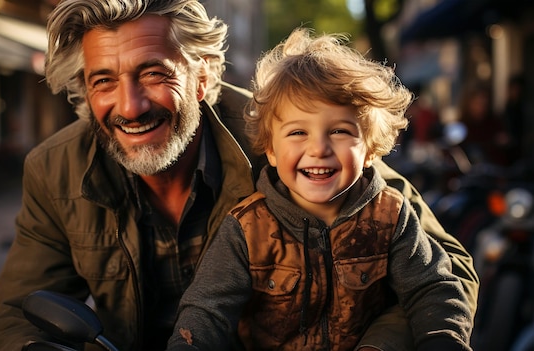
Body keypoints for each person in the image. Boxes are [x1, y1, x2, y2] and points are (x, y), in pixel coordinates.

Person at [0, 1, 478, 350]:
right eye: (103, 81)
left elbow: (446, 271)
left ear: (203, 77)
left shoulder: (290, 132)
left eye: (154, 73)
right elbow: (16, 313)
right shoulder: (52, 168)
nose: (129, 106)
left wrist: (379, 347)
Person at [165, 28, 473, 351]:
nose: (319, 148)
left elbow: (432, 288)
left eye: (339, 131)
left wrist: (443, 340)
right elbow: (206, 312)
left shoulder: (390, 216)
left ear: (370, 149)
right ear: (270, 150)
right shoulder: (247, 228)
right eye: (298, 132)